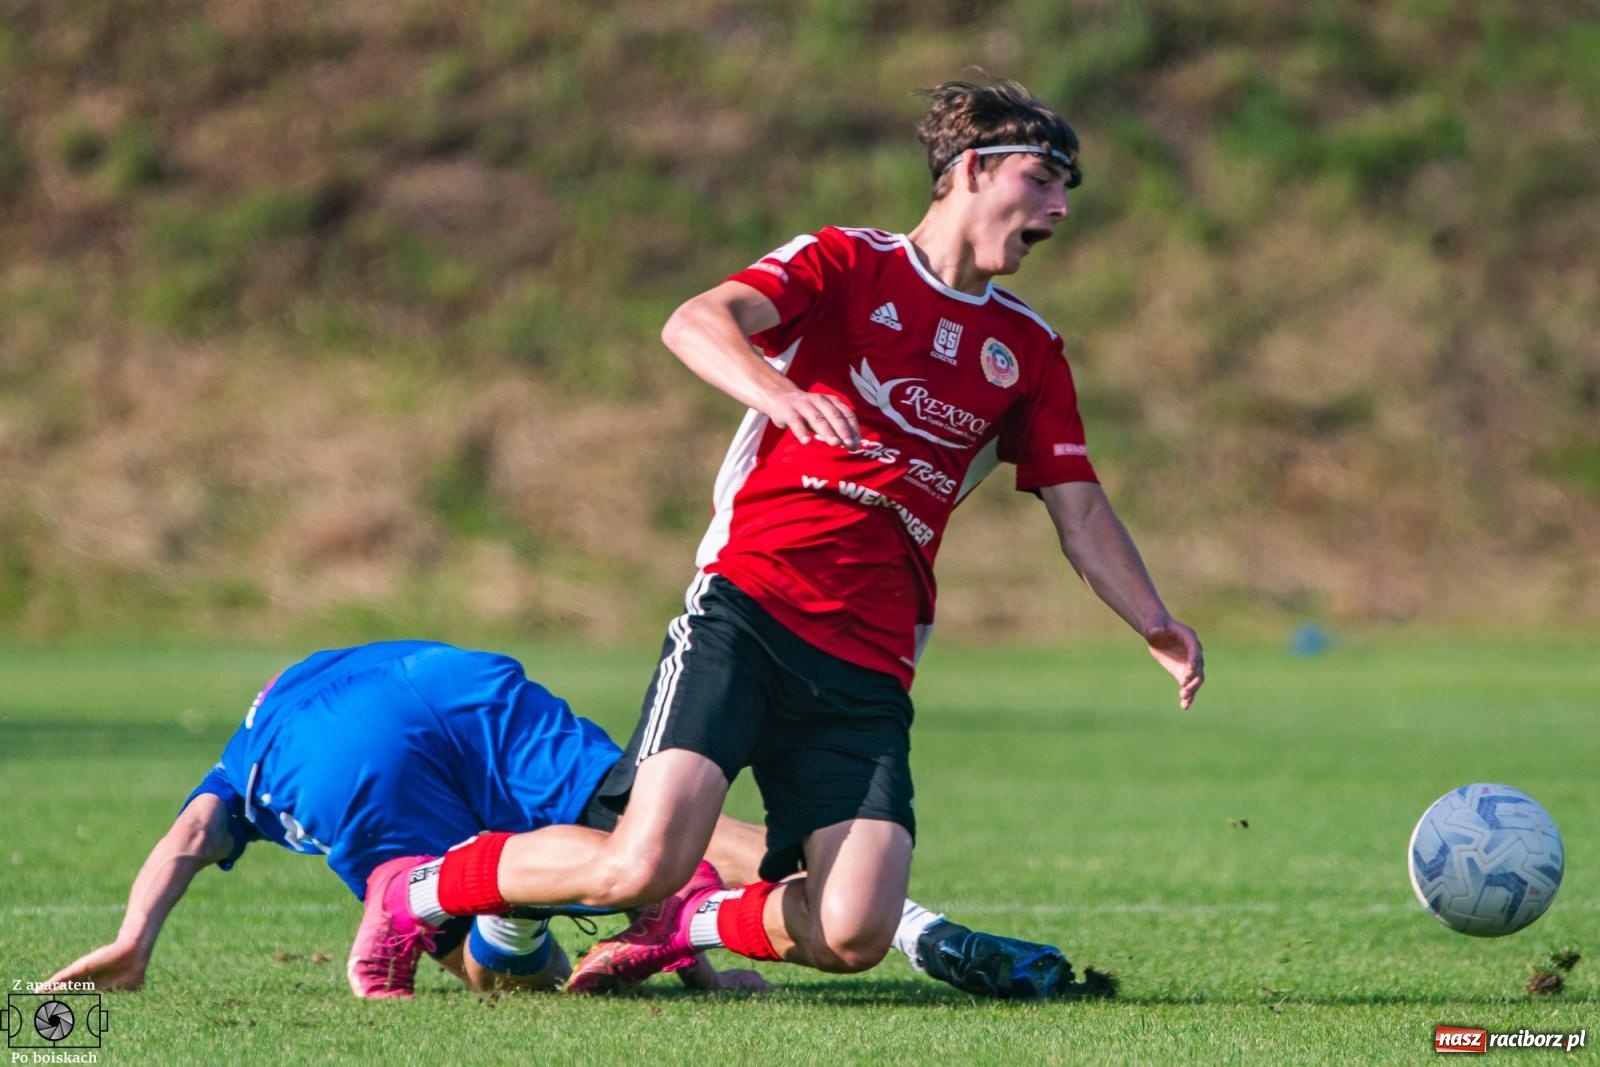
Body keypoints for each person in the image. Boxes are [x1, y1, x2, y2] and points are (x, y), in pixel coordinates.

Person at [350, 75, 1198, 995]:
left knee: (855, 928)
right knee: (640, 861)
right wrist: (782, 393)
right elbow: (695, 321)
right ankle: (420, 890)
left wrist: (1152, 617)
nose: (1061, 208)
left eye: (1068, 189)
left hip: (872, 655)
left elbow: (1079, 504)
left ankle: (693, 923)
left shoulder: (1027, 351)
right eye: (1043, 179)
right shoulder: (847, 263)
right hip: (750, 609)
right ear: (971, 170)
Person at [43, 640, 1089, 1000]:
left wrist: (136, 939)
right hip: (456, 679)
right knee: (649, 827)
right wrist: (709, 969)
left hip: (347, 766)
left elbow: (186, 838)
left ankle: (423, 897)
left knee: (497, 960)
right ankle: (901, 923)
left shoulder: (252, 749)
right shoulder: (336, 664)